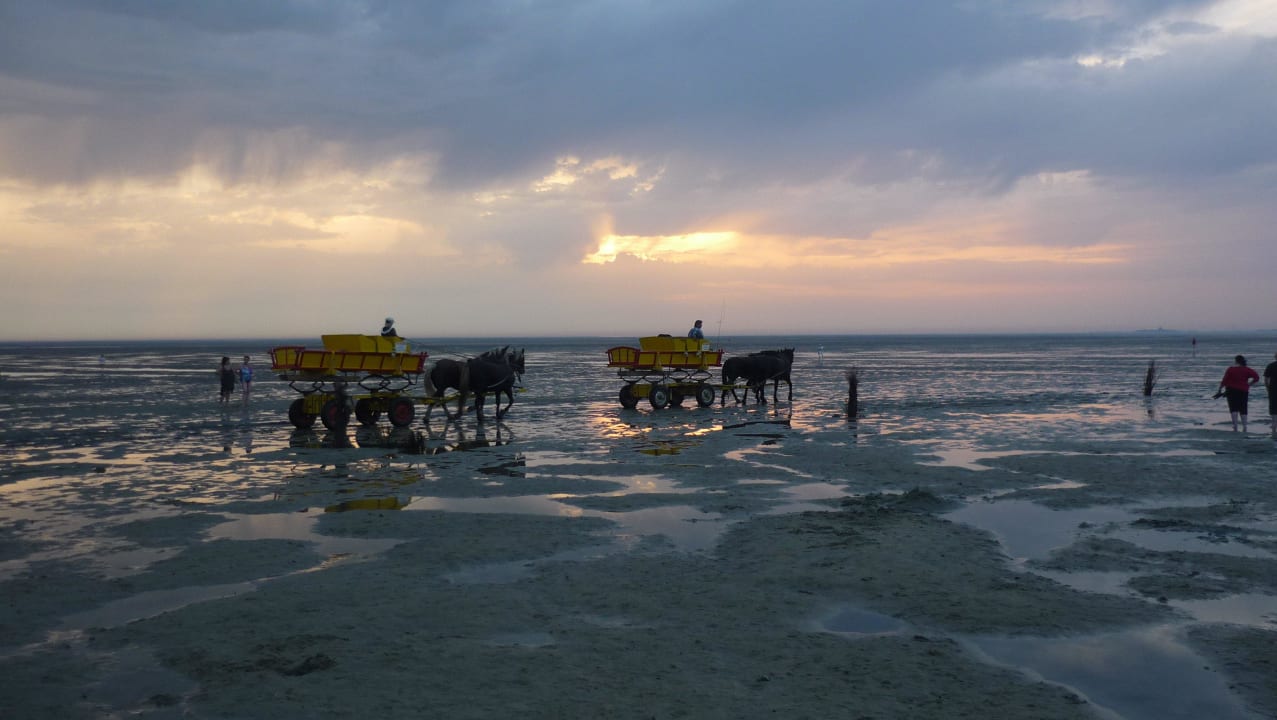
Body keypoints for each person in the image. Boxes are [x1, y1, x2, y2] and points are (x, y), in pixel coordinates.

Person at [1217, 354, 1259, 433]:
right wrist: (1249, 384)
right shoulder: (1247, 369)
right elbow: (1257, 377)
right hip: (1243, 390)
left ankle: (1235, 425)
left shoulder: (1230, 369)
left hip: (1231, 390)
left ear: (1236, 361)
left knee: (1233, 408)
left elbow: (1224, 380)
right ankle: (1244, 425)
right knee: (1243, 407)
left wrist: (1219, 389)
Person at [1265, 352, 1277, 439]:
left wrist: (1267, 388)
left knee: (1273, 406)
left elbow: (1266, 379)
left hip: (1273, 389)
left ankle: (1274, 423)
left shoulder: (1271, 365)